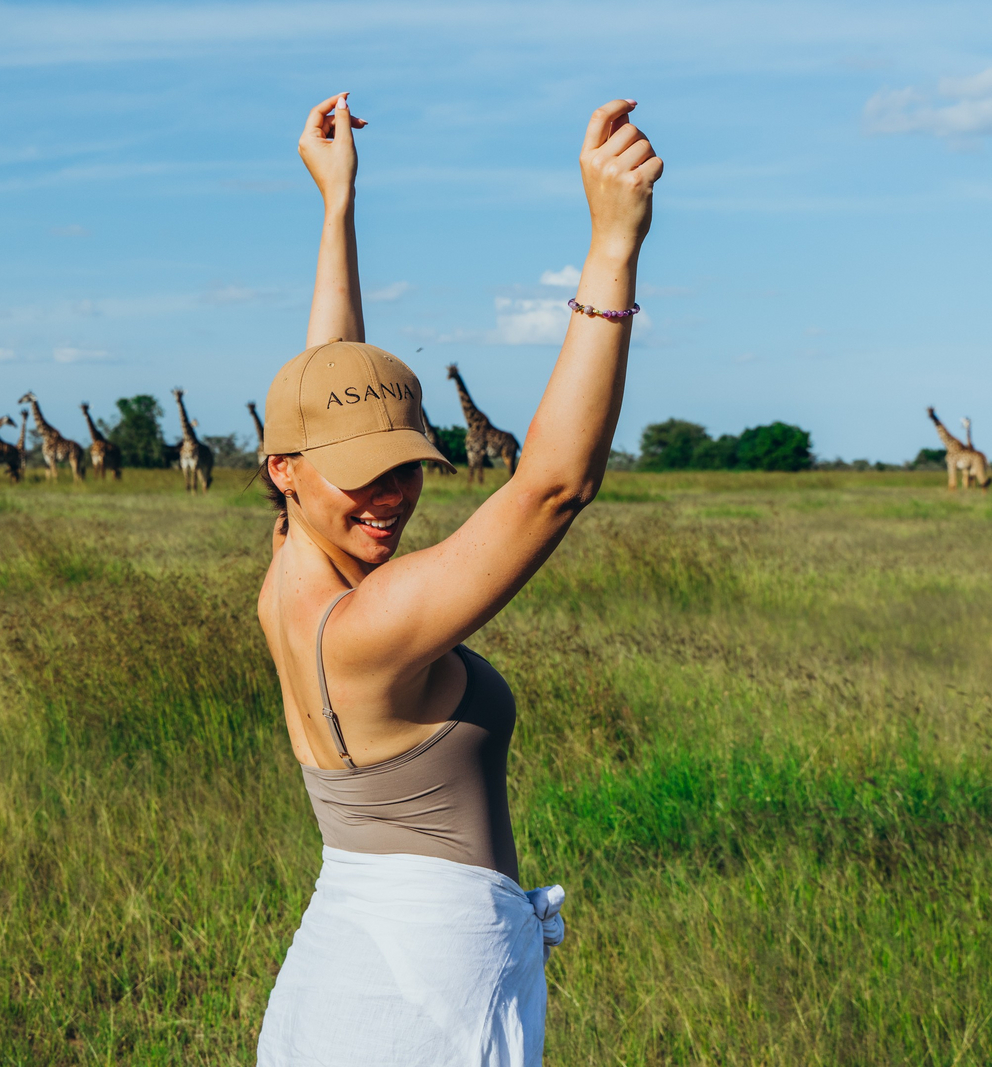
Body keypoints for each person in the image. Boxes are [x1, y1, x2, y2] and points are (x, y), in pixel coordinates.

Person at [254, 92, 661, 1066]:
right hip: (423, 998)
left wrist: (337, 204)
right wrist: (612, 247)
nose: (390, 496)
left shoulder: (289, 563)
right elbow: (553, 487)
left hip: (347, 968)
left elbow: (326, 375)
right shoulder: (368, 626)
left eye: (404, 467)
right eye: (361, 475)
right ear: (285, 469)